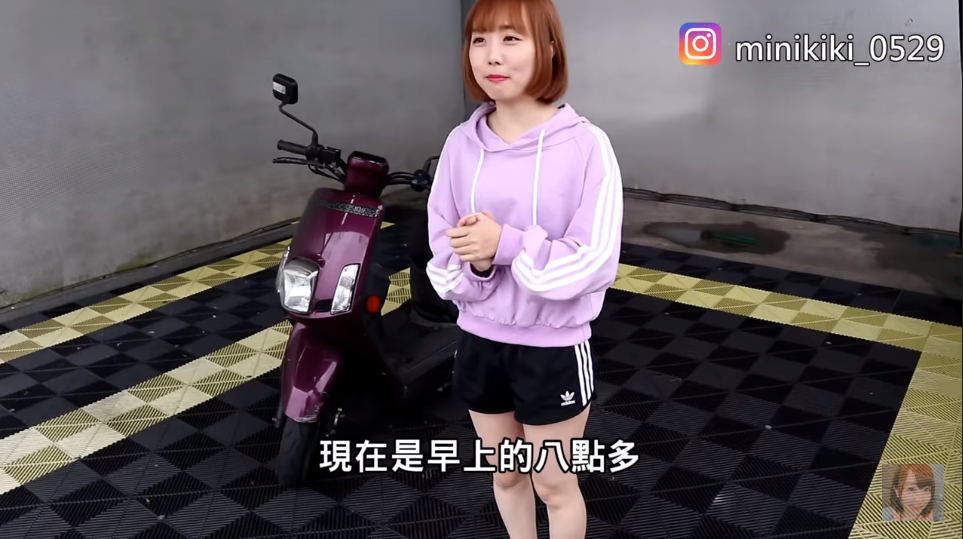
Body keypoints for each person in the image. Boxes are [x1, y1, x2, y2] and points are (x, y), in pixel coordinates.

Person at [424, 0, 623, 536]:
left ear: (549, 48)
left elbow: (594, 261)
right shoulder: (460, 145)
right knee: (507, 475)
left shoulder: (587, 146)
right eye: (480, 40)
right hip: (479, 341)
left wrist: (506, 244)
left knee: (553, 485)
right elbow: (443, 251)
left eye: (511, 39)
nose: (492, 55)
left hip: (553, 348)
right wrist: (478, 264)